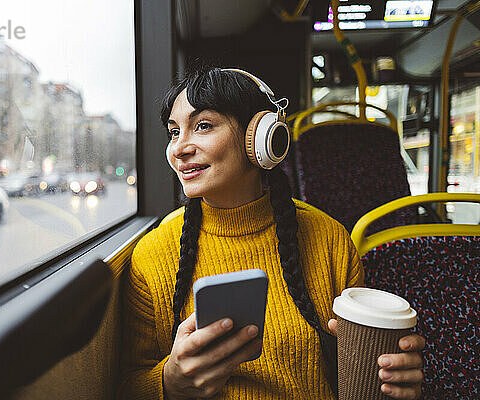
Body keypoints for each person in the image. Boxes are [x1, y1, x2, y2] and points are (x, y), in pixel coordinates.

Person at [118, 67, 425, 399]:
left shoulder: (330, 239)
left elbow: (359, 377)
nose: (179, 149)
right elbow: (128, 385)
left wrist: (392, 379)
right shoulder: (152, 256)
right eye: (174, 132)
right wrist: (170, 381)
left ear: (263, 138)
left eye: (203, 126)